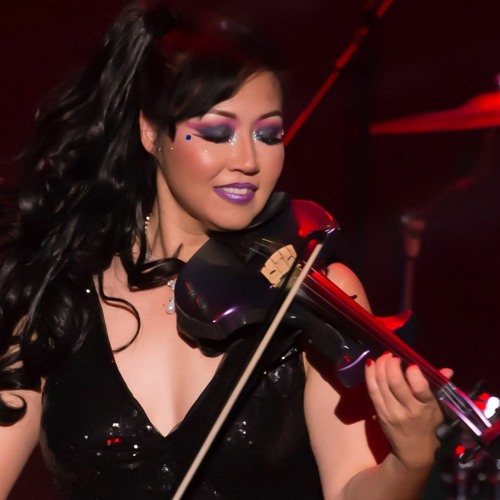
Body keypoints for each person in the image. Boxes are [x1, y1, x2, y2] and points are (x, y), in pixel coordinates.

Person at [0, 2, 449, 498]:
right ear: (151, 131)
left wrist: (410, 461)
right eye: (218, 132)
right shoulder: (55, 298)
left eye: (268, 134)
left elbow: (351, 489)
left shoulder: (316, 292)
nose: (249, 160)